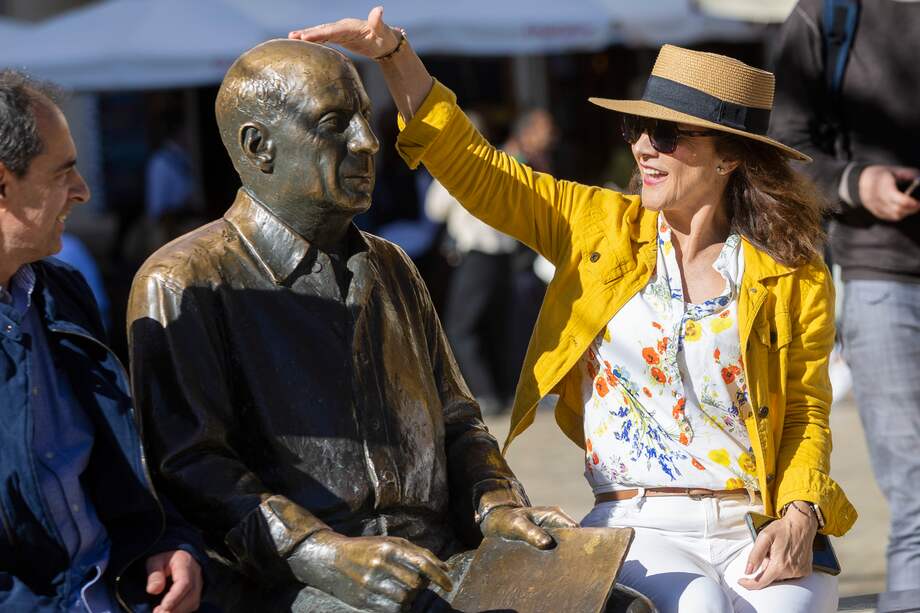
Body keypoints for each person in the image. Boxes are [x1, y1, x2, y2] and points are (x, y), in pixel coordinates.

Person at [290, 9, 857, 612]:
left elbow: (806, 409)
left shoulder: (790, 270)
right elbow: (473, 166)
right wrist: (394, 54)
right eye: (636, 129)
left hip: (754, 518)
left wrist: (801, 512)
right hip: (638, 516)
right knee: (701, 608)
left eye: (666, 135)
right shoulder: (597, 226)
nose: (643, 146)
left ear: (729, 157)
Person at [126, 39, 575, 613]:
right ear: (258, 146)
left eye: (364, 116)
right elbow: (190, 466)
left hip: (437, 558)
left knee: (619, 601)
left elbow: (459, 421)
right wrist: (322, 552)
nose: (367, 141)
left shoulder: (391, 265)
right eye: (334, 123)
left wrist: (496, 504)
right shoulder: (186, 280)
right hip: (296, 581)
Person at [0, 70, 205, 613]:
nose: (83, 190)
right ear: (2, 184)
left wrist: (168, 542)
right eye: (63, 171)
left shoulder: (60, 292)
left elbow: (124, 466)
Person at [770, 0, 920, 593]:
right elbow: (782, 150)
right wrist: (858, 182)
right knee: (917, 492)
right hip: (886, 277)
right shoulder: (829, 14)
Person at [425, 111, 518, 416]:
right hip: (505, 255)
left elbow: (434, 209)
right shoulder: (501, 159)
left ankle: (485, 392)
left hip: (477, 256)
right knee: (497, 324)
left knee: (460, 327)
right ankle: (504, 389)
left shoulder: (456, 162)